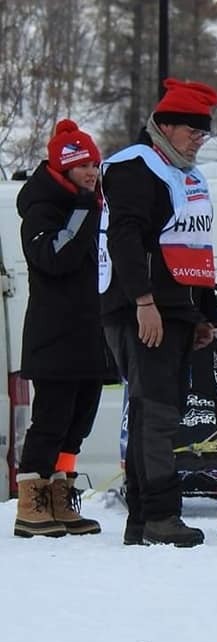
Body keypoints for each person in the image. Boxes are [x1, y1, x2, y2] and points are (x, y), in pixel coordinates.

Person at [101, 78, 217, 547]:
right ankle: (160, 515)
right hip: (143, 309)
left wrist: (203, 313)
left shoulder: (186, 174)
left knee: (152, 410)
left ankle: (141, 519)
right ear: (165, 126)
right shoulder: (135, 167)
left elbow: (197, 246)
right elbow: (124, 238)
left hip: (176, 310)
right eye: (193, 131)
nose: (199, 140)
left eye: (204, 133)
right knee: (157, 413)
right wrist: (143, 302)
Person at [13, 119, 107, 538]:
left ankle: (60, 494)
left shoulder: (93, 206)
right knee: (50, 421)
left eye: (95, 165)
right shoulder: (42, 210)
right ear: (64, 168)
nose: (92, 172)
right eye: (83, 165)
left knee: (77, 425)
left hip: (90, 335)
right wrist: (85, 208)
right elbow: (55, 258)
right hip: (54, 337)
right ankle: (31, 502)